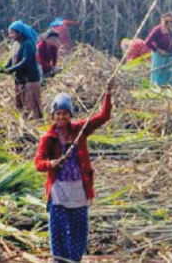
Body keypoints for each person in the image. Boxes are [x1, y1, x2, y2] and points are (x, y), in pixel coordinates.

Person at [35, 85, 113, 263]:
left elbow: (104, 117)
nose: (61, 117)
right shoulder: (48, 138)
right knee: (59, 234)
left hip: (79, 191)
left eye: (65, 113)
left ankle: (74, 261)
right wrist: (52, 163)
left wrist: (107, 94)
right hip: (59, 194)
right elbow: (38, 164)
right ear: (53, 116)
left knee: (79, 233)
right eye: (58, 114)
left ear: (70, 115)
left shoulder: (80, 130)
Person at [2, 21, 43, 121]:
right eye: (10, 32)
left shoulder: (28, 44)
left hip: (30, 79)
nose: (10, 35)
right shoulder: (16, 44)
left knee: (32, 105)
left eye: (12, 33)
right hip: (20, 79)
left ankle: (36, 125)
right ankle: (24, 124)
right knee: (21, 105)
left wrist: (11, 70)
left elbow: (26, 62)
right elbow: (12, 59)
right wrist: (4, 68)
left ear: (19, 33)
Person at [145, 13, 172, 88]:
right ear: (166, 22)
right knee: (159, 74)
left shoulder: (170, 30)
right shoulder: (157, 30)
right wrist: (158, 50)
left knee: (171, 74)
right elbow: (147, 42)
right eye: (171, 22)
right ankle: (157, 88)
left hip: (170, 56)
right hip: (160, 56)